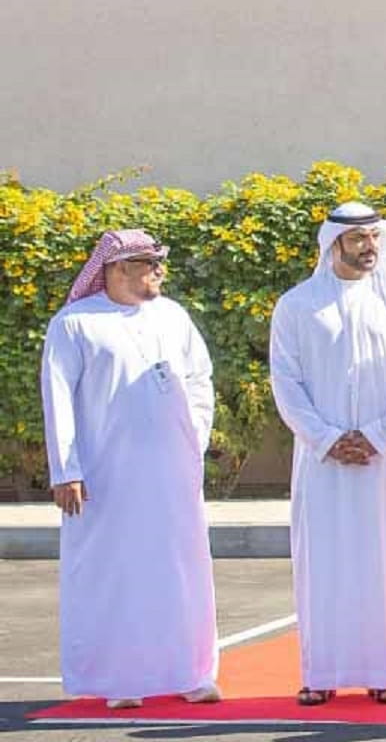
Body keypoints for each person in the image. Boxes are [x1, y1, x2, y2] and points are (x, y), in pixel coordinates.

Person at [41, 230, 221, 710]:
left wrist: (193, 438)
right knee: (113, 573)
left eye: (160, 262)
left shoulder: (173, 315)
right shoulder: (75, 324)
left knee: (180, 568)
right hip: (106, 476)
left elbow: (200, 379)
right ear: (116, 269)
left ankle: (192, 673)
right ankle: (120, 680)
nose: (159, 271)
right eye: (149, 263)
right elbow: (57, 398)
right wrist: (66, 469)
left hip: (172, 471)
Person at [269, 203, 386, 705]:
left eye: (374, 239)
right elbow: (286, 381)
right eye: (358, 239)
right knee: (325, 563)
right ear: (333, 243)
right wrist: (326, 438)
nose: (369, 248)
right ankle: (321, 672)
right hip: (321, 462)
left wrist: (380, 435)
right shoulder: (297, 305)